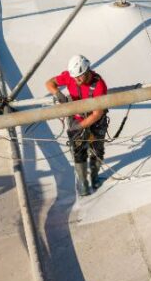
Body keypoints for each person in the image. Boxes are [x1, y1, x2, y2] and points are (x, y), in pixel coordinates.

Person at [45, 54, 108, 197]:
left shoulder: (99, 85)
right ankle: (83, 184)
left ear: (87, 71)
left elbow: (97, 114)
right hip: (78, 118)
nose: (76, 80)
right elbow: (49, 83)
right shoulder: (70, 76)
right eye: (74, 78)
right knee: (79, 151)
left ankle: (94, 178)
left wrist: (79, 128)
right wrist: (58, 93)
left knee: (97, 149)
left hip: (96, 122)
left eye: (79, 77)